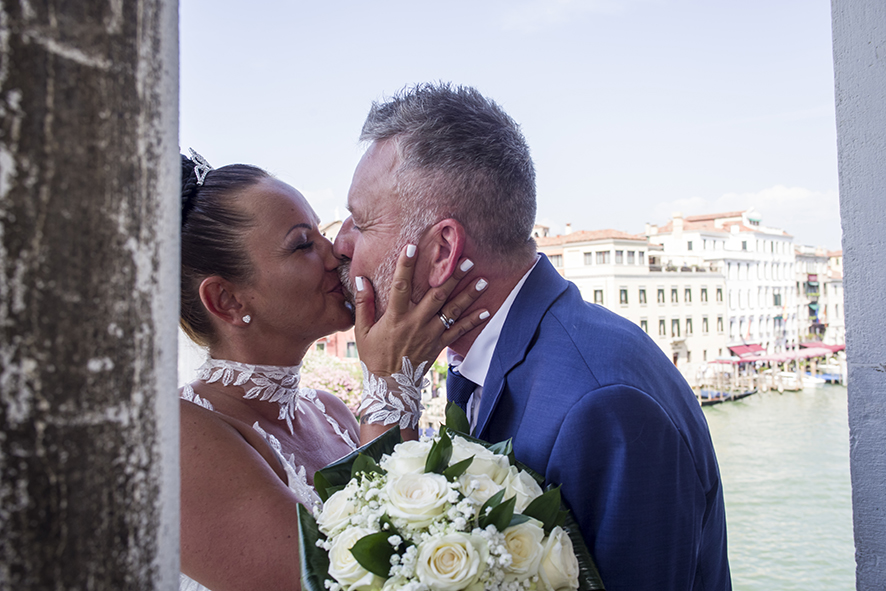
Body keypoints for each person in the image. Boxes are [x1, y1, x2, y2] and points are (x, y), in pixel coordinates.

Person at [333, 83, 732, 591]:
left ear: (440, 252)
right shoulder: (481, 355)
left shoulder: (602, 403)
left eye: (361, 222)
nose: (340, 242)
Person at [177, 150, 490, 591]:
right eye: (303, 244)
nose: (338, 252)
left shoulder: (330, 411)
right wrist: (390, 385)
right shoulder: (178, 436)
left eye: (322, 234)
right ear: (227, 300)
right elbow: (350, 582)